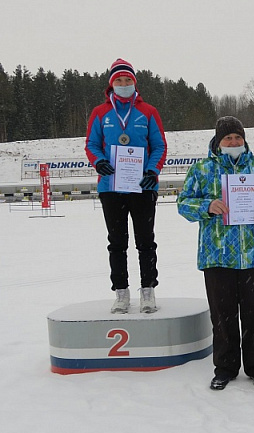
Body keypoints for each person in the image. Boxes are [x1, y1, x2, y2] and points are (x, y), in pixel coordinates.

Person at [177, 116, 254, 390]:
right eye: (228, 138)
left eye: (238, 137)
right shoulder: (202, 169)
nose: (234, 142)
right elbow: (183, 203)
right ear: (218, 141)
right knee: (222, 316)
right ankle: (225, 368)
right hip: (217, 254)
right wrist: (207, 206)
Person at [85, 58, 167, 314]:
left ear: (134, 83)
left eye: (128, 80)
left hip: (142, 187)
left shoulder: (148, 111)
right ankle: (121, 292)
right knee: (117, 243)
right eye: (119, 80)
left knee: (146, 241)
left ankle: (148, 290)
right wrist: (99, 162)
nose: (123, 84)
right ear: (111, 84)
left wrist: (152, 171)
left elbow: (160, 146)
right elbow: (91, 144)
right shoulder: (100, 112)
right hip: (111, 188)